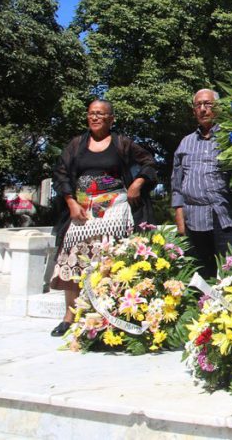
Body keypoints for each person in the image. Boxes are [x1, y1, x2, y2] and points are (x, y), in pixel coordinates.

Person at [49, 99, 157, 336]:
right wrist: (70, 201)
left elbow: (149, 163)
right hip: (82, 208)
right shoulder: (76, 145)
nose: (95, 117)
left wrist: (137, 183)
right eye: (91, 114)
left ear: (111, 119)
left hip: (115, 209)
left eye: (100, 114)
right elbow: (61, 173)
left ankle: (112, 316)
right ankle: (70, 317)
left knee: (112, 260)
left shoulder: (123, 144)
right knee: (73, 257)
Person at [172, 89, 232, 279]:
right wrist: (180, 218)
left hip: (225, 216)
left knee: (229, 274)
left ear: (218, 108)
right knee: (200, 275)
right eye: (198, 105)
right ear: (193, 111)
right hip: (193, 218)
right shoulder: (185, 143)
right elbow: (176, 184)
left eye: (208, 104)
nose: (203, 109)